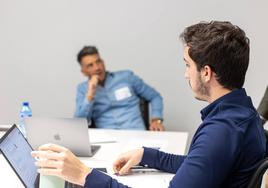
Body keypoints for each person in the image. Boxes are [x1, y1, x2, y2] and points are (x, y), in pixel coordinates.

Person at [32, 21, 266, 188]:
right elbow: (199, 164)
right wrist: (147, 155)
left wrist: (84, 174)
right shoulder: (242, 114)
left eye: (187, 65)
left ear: (206, 72)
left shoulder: (221, 130)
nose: (185, 74)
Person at [74, 46, 164, 131]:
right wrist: (90, 93)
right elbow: (79, 124)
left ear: (103, 62)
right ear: (84, 72)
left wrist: (156, 119)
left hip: (136, 133)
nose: (97, 67)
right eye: (90, 65)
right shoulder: (83, 89)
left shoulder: (126, 77)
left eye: (98, 61)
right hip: (108, 139)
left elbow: (155, 96)